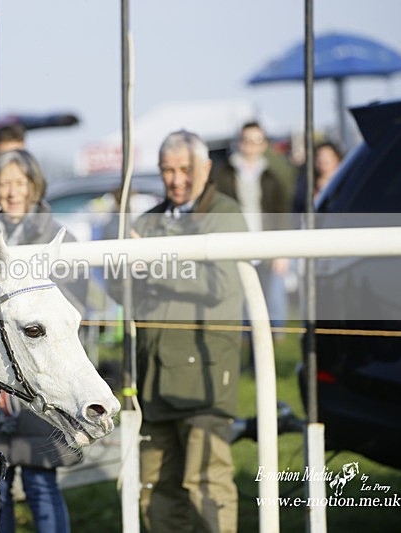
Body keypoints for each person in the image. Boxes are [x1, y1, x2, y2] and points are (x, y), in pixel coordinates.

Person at [115, 130, 247, 532]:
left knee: (206, 484)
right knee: (155, 490)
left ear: (205, 168)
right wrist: (121, 267)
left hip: (203, 377)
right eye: (167, 170)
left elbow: (221, 283)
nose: (176, 180)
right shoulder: (147, 220)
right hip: (152, 377)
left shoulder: (226, 215)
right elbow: (121, 292)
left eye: (185, 170)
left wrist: (151, 263)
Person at [0, 148, 83, 533]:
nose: (12, 192)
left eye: (19, 183)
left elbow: (71, 302)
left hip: (42, 374)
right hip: (0, 378)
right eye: (4, 184)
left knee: (40, 481)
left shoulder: (57, 236)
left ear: (34, 186)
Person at [211, 121, 294, 333]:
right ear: (239, 142)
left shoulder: (272, 176)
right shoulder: (223, 174)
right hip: (235, 245)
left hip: (267, 245)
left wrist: (282, 251)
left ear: (264, 144)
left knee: (271, 299)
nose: (250, 145)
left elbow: (281, 212)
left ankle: (274, 337)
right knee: (240, 300)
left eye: (256, 140)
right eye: (246, 139)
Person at [292, 140, 344, 213]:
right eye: (319, 157)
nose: (322, 161)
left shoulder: (345, 182)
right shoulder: (306, 185)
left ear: (337, 159)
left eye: (327, 158)